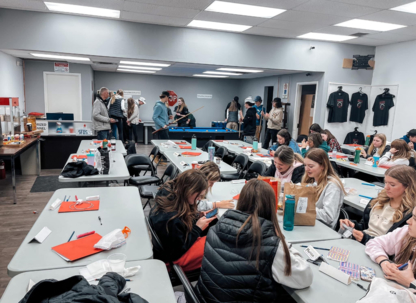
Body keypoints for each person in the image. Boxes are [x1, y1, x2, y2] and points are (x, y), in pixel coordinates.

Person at [195, 180, 313, 302]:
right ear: (270, 206)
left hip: (206, 298)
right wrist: (283, 242)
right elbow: (305, 278)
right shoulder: (270, 245)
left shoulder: (215, 229)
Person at [149, 170, 217, 271]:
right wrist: (197, 228)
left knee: (213, 228)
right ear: (189, 191)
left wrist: (196, 216)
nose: (199, 199)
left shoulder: (169, 195)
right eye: (198, 196)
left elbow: (180, 227)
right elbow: (179, 249)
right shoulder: (172, 219)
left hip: (167, 249)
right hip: (171, 259)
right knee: (217, 246)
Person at [340, 165, 416, 245]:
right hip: (363, 242)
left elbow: (396, 246)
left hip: (379, 250)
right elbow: (366, 227)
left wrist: (366, 239)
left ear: (408, 187)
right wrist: (353, 225)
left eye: (392, 185)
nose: (386, 187)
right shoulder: (378, 201)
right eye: (385, 182)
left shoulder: (411, 215)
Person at [365, 206, 416, 289]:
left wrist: (411, 282)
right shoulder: (405, 232)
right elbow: (373, 243)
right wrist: (383, 261)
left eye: (415, 219)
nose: (408, 221)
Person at [302, 148, 346, 228]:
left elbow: (328, 217)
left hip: (323, 228)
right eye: (305, 165)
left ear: (322, 166)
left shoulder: (332, 186)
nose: (306, 169)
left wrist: (305, 207)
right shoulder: (313, 181)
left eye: (311, 166)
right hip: (311, 222)